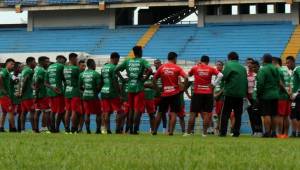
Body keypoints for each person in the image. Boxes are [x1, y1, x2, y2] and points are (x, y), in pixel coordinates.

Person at [115, 46, 152, 134]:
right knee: (137, 109)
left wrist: (123, 80)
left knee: (131, 109)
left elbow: (116, 70)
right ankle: (135, 129)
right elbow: (150, 70)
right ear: (140, 52)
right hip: (138, 87)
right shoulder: (142, 61)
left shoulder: (128, 61)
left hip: (130, 87)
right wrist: (144, 79)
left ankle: (130, 129)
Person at [152, 52, 188, 136]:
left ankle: (154, 131)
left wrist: (158, 91)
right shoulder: (177, 68)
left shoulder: (162, 67)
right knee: (174, 113)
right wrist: (183, 88)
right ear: (174, 58)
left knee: (160, 112)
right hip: (174, 93)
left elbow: (154, 79)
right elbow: (186, 77)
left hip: (164, 93)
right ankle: (171, 132)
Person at [186, 55, 223, 136]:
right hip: (208, 93)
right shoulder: (210, 68)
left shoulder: (195, 68)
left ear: (201, 60)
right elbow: (220, 75)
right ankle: (204, 133)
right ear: (208, 61)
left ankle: (188, 133)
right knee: (207, 114)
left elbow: (188, 75)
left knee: (193, 113)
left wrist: (194, 79)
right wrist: (214, 84)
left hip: (197, 92)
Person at [219, 52, 247, 137]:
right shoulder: (243, 68)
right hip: (240, 94)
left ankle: (223, 132)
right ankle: (236, 132)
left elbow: (223, 77)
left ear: (229, 58)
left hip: (230, 93)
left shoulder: (229, 65)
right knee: (238, 114)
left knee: (225, 113)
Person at [256, 54, 280, 137]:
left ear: (264, 60)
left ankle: (267, 132)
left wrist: (258, 94)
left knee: (266, 114)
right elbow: (278, 81)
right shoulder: (276, 68)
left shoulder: (263, 69)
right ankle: (274, 132)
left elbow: (260, 83)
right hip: (275, 94)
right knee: (274, 114)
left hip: (266, 95)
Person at [100, 52, 122, 134]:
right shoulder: (114, 68)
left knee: (106, 112)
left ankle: (107, 130)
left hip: (104, 91)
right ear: (115, 58)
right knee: (120, 111)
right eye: (118, 60)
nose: (118, 61)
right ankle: (117, 130)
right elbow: (115, 82)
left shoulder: (104, 67)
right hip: (112, 92)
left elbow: (102, 81)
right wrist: (119, 93)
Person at [79, 58, 101, 134]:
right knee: (98, 113)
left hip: (85, 96)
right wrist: (95, 92)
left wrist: (84, 91)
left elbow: (79, 87)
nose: (95, 65)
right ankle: (98, 130)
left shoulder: (82, 74)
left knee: (87, 113)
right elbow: (98, 87)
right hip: (94, 96)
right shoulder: (96, 74)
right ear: (92, 65)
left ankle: (88, 130)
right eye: (94, 64)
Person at [45, 55, 66, 133]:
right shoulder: (61, 66)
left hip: (50, 92)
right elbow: (65, 79)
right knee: (60, 111)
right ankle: (56, 128)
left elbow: (46, 83)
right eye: (64, 61)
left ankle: (52, 128)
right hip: (59, 92)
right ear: (60, 60)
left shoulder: (49, 67)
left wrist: (52, 88)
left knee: (53, 111)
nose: (64, 63)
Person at [273, 57, 292, 138]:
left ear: (274, 62)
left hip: (281, 95)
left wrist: (285, 91)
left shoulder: (278, 70)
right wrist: (289, 93)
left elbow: (280, 83)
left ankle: (280, 134)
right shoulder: (286, 70)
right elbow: (290, 83)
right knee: (286, 116)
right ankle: (286, 134)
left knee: (280, 115)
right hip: (287, 96)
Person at [63, 53, 82, 133]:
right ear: (72, 59)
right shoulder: (76, 69)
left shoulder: (65, 68)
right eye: (76, 59)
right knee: (74, 111)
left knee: (67, 111)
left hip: (67, 91)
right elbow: (80, 81)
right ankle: (73, 129)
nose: (77, 60)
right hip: (75, 91)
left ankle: (66, 128)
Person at [33, 56, 50, 133]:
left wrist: (35, 93)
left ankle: (36, 128)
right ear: (42, 62)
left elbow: (33, 83)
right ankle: (44, 127)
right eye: (47, 62)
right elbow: (36, 83)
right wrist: (37, 94)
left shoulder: (36, 70)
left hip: (37, 93)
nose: (48, 63)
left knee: (37, 110)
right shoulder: (42, 71)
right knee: (46, 111)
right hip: (42, 94)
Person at [20, 57, 37, 132]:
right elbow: (25, 81)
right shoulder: (29, 71)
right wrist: (22, 91)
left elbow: (22, 81)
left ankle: (22, 129)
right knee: (32, 111)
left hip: (24, 96)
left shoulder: (24, 70)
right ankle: (34, 129)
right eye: (34, 61)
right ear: (30, 63)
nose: (35, 63)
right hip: (28, 95)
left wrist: (20, 92)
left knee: (24, 112)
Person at [0, 58, 17, 132]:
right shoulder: (4, 71)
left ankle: (1, 128)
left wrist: (16, 79)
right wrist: (2, 89)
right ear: (7, 64)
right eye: (11, 64)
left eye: (14, 64)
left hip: (4, 95)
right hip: (4, 95)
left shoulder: (9, 73)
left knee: (4, 112)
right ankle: (13, 129)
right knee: (11, 112)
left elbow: (15, 80)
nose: (13, 66)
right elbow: (0, 78)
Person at [247, 60, 263, 136]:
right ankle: (254, 131)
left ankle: (259, 131)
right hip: (249, 97)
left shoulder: (258, 74)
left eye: (251, 63)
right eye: (248, 63)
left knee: (257, 114)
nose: (249, 65)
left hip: (257, 97)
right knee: (252, 115)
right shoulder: (246, 74)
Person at [153, 59, 167, 133]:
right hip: (155, 96)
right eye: (155, 63)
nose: (156, 65)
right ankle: (152, 128)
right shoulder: (154, 73)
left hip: (162, 95)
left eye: (158, 63)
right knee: (153, 113)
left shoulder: (163, 72)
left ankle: (164, 129)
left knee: (163, 113)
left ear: (160, 63)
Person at [289, 56, 300, 137]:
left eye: (288, 62)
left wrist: (296, 93)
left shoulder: (297, 69)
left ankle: (294, 132)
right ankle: (297, 133)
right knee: (297, 115)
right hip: (296, 95)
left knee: (293, 115)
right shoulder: (294, 71)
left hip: (297, 96)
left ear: (293, 62)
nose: (287, 65)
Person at [213, 61, 224, 134]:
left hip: (221, 96)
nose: (218, 66)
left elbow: (225, 87)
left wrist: (218, 94)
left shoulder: (223, 75)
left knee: (221, 113)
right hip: (216, 96)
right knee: (217, 113)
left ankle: (220, 128)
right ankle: (218, 127)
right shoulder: (216, 75)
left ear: (222, 66)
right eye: (217, 65)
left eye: (219, 65)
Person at [11, 62, 23, 132]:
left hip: (20, 97)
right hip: (13, 97)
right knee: (12, 113)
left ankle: (19, 129)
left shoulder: (21, 75)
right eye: (19, 67)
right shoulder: (10, 75)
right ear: (15, 68)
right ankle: (12, 129)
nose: (21, 68)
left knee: (21, 113)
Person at [77, 60, 86, 133]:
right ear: (78, 65)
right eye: (82, 66)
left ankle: (80, 129)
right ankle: (76, 128)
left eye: (85, 66)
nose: (84, 67)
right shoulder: (77, 74)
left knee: (83, 113)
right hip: (77, 96)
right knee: (77, 113)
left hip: (83, 96)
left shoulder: (85, 74)